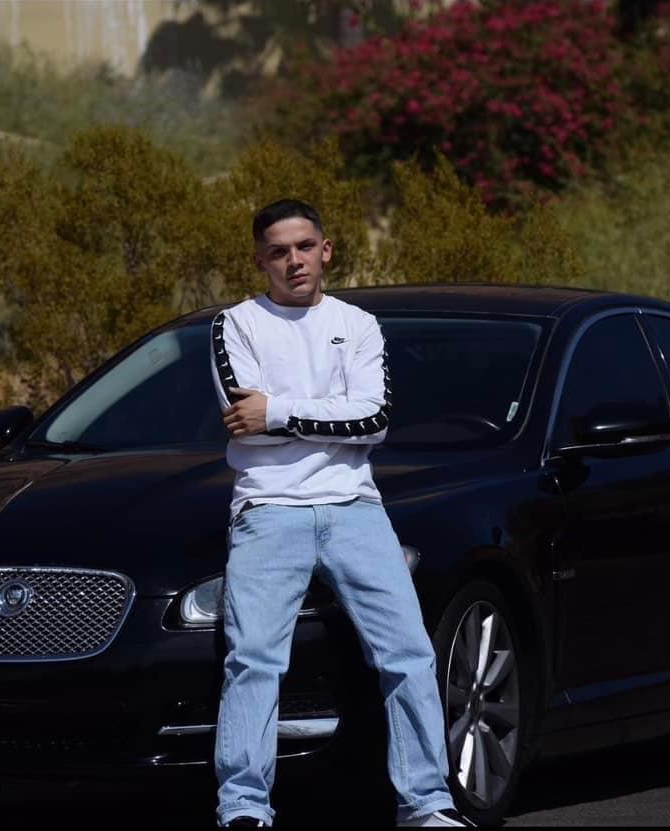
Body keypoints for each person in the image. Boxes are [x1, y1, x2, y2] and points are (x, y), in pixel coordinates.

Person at [209, 199, 473, 829]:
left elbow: (373, 420)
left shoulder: (358, 324)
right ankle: (243, 808)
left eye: (305, 247)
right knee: (253, 661)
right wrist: (325, 413)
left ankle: (427, 805)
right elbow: (243, 417)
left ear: (326, 250)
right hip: (268, 509)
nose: (293, 261)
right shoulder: (235, 324)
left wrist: (278, 411)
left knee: (409, 653)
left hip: (355, 507)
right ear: (260, 260)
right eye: (278, 252)